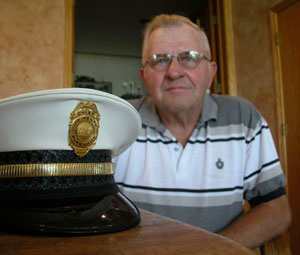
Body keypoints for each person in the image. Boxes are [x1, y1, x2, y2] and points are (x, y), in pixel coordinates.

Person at [114, 14, 291, 249]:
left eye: (189, 58)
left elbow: (277, 210)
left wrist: (210, 250)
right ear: (144, 75)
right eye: (160, 60)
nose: (174, 72)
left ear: (211, 71)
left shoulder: (243, 118)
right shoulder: (118, 121)